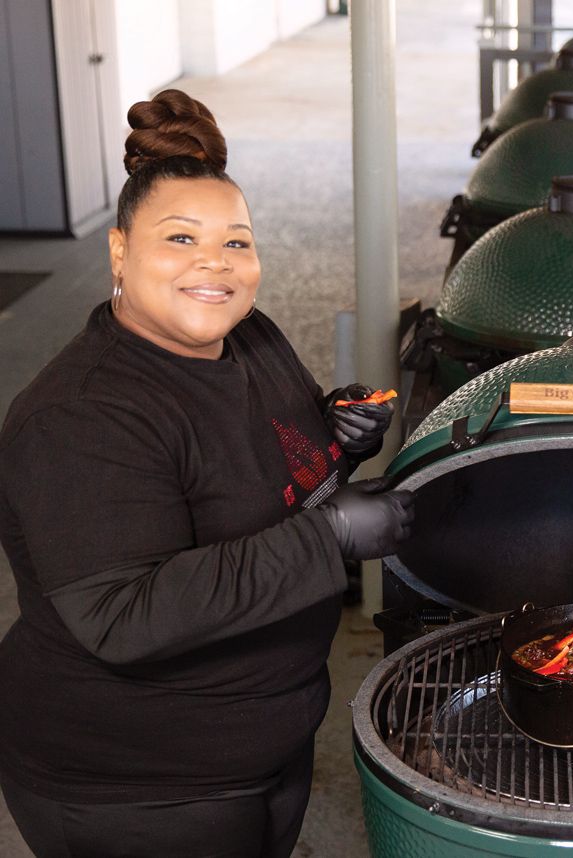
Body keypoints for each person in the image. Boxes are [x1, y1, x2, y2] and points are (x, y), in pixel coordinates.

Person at [0, 89, 414, 857]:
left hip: (265, 737)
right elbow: (124, 615)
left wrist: (335, 435)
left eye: (236, 243)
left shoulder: (250, 337)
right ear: (119, 252)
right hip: (140, 783)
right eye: (180, 238)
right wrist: (330, 539)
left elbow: (264, 472)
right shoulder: (81, 417)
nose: (214, 266)